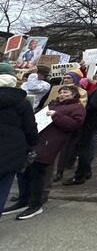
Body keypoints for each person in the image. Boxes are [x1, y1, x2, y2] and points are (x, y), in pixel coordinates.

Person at [17, 85, 86, 219]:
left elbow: (75, 124)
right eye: (60, 92)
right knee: (26, 169)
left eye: (65, 92)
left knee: (38, 169)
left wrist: (57, 115)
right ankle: (24, 199)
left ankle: (36, 203)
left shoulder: (77, 107)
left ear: (73, 94)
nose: (62, 94)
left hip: (52, 142)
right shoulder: (52, 104)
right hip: (38, 139)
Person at [0, 63, 38, 218]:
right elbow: (30, 128)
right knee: (2, 188)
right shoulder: (22, 102)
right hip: (12, 150)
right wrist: (33, 143)